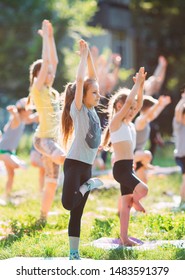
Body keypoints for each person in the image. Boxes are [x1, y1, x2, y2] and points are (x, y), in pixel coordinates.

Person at [61, 39, 103, 260]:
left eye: (98, 92)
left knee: (77, 213)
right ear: (83, 95)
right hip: (75, 164)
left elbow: (92, 79)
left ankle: (73, 253)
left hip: (87, 167)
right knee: (68, 204)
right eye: (94, 93)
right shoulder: (78, 110)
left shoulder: (94, 112)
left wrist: (89, 58)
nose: (98, 95)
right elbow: (81, 80)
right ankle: (89, 186)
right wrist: (82, 58)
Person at [102, 67, 148, 246]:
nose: (130, 110)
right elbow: (130, 101)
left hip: (127, 167)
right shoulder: (115, 123)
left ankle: (124, 238)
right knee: (143, 190)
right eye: (126, 108)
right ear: (119, 108)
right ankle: (137, 202)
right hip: (121, 169)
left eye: (131, 109)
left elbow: (137, 103)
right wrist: (135, 85)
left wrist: (141, 86)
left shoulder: (128, 124)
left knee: (125, 206)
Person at [27, 19, 65, 224]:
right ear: (38, 76)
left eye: (51, 73)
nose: (50, 75)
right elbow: (46, 61)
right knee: (63, 157)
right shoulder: (38, 90)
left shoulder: (52, 91)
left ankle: (42, 217)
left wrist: (50, 37)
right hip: (43, 140)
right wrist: (44, 40)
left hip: (53, 140)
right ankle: (80, 187)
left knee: (51, 182)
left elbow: (54, 62)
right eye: (46, 73)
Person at [0, 98, 38, 204]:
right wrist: (14, 111)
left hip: (9, 151)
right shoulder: (16, 119)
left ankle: (6, 196)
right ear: (23, 110)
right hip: (2, 151)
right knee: (18, 165)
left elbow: (33, 118)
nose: (31, 112)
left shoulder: (23, 120)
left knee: (11, 174)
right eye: (29, 110)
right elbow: (16, 116)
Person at [134, 95, 171, 183]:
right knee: (148, 155)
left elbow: (154, 114)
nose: (154, 112)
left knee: (143, 183)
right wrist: (158, 104)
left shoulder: (147, 121)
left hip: (140, 155)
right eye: (152, 109)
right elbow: (148, 114)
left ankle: (145, 165)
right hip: (134, 153)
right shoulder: (140, 121)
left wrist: (162, 105)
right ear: (148, 109)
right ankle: (147, 165)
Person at [173, 91, 185, 209]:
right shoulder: (179, 125)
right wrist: (183, 99)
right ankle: (182, 202)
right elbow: (178, 111)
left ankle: (182, 201)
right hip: (182, 155)